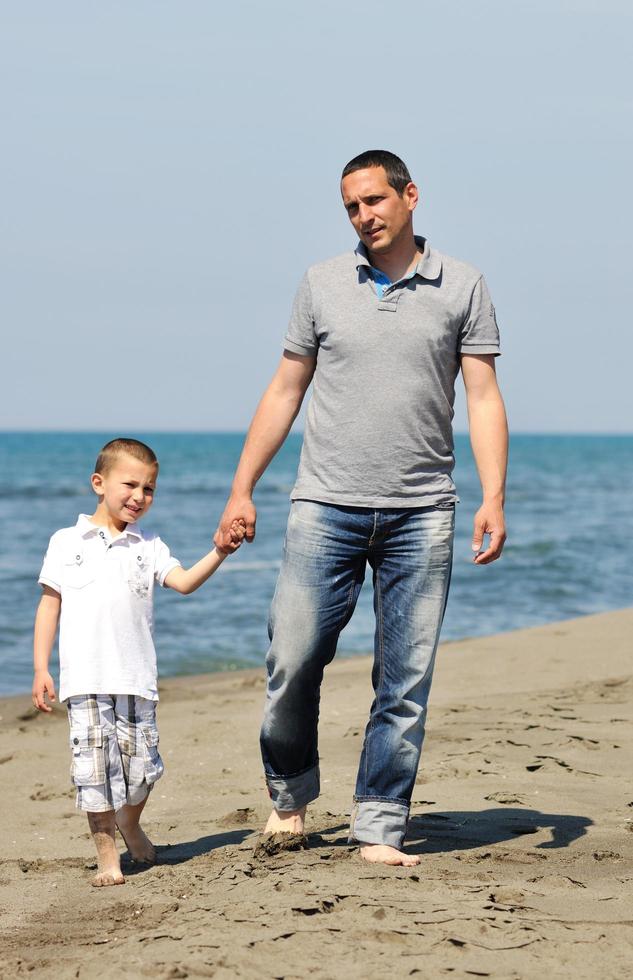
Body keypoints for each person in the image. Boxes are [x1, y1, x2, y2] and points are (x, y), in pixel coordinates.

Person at [215, 150, 508, 867]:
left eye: (374, 201)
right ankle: (289, 799)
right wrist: (241, 488)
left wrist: (492, 495)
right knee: (292, 655)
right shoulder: (320, 284)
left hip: (420, 513)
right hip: (323, 505)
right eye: (351, 206)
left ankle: (378, 825)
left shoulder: (462, 285)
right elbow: (285, 390)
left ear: (410, 196)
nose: (363, 216)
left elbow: (481, 397)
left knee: (402, 681)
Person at [32, 437, 245, 886]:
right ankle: (107, 857)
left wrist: (221, 551)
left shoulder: (148, 545)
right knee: (94, 774)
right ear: (99, 483)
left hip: (136, 678)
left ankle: (130, 822)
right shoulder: (66, 541)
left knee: (143, 771)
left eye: (149, 489)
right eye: (130, 484)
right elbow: (50, 604)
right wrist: (40, 667)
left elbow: (184, 582)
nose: (139, 496)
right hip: (84, 680)